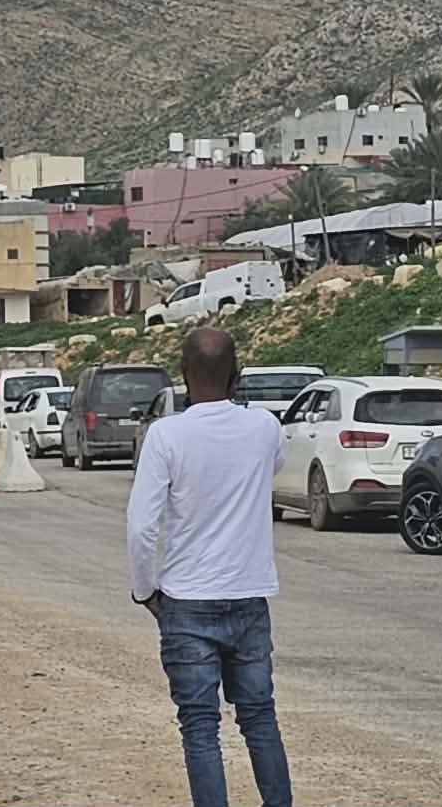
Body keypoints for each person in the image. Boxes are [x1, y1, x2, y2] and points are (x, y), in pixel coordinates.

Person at [126, 327, 292, 807]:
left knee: (200, 727)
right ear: (237, 375)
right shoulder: (264, 427)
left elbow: (141, 527)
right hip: (248, 595)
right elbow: (272, 466)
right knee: (259, 716)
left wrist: (145, 590)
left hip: (187, 601)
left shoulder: (165, 435)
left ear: (182, 374)